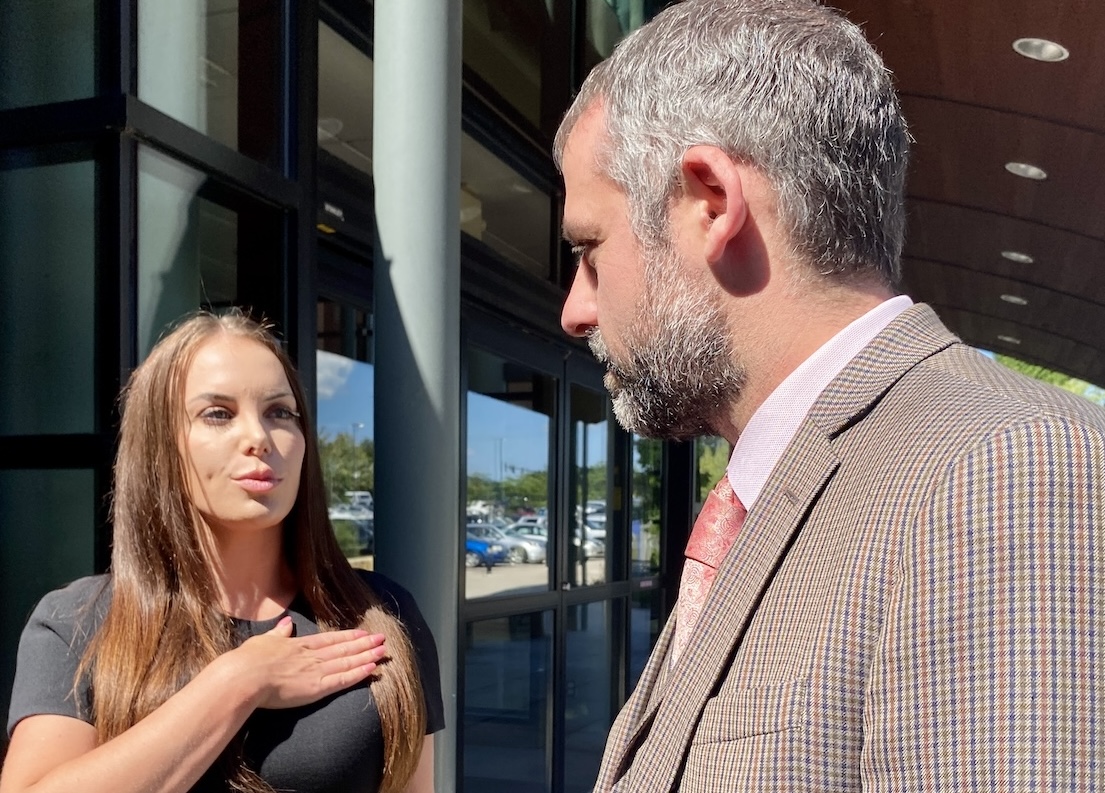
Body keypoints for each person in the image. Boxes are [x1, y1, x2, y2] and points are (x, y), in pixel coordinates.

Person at [555, 1, 1105, 790]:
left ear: (710, 199)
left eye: (590, 249)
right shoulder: (782, 481)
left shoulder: (1003, 472)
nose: (575, 308)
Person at [2, 311, 443, 793]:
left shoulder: (379, 614)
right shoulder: (76, 623)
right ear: (162, 445)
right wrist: (238, 681)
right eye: (218, 413)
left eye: (280, 412)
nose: (258, 437)